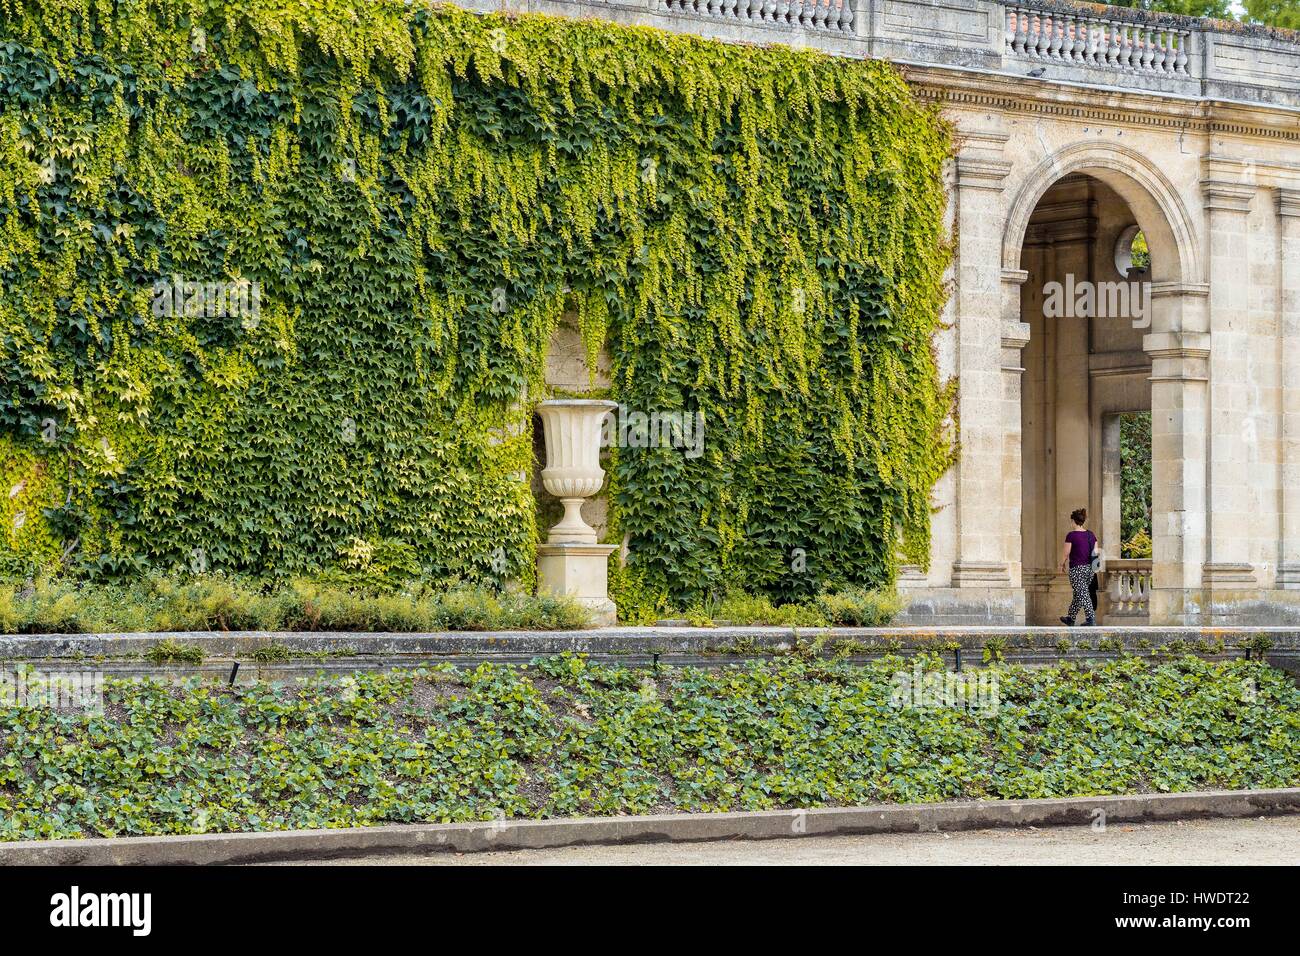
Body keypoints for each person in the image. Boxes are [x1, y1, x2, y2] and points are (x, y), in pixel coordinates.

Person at [1059, 507, 1099, 626]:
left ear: (1073, 521)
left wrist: (1061, 564)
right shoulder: (1091, 535)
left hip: (1077, 569)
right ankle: (1071, 618)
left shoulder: (1071, 535)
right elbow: (1096, 553)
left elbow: (1066, 553)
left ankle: (1091, 619)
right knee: (1079, 594)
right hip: (1090, 570)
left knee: (1083, 594)